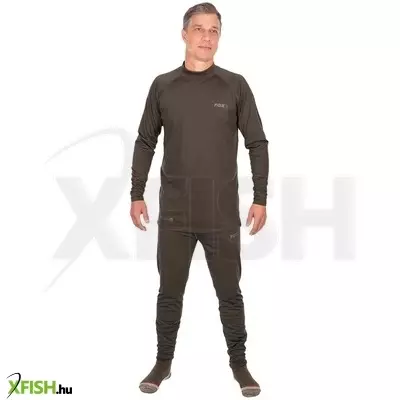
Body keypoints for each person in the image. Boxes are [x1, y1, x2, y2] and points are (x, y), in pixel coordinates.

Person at [130, 2, 269, 397]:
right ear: (184, 34)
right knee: (169, 293)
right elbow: (145, 141)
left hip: (221, 214)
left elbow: (257, 143)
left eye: (214, 31)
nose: (207, 37)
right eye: (199, 29)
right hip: (175, 213)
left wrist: (260, 197)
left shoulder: (234, 85)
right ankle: (163, 362)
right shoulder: (163, 86)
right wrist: (136, 193)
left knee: (230, 294)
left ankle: (240, 365)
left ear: (218, 37)